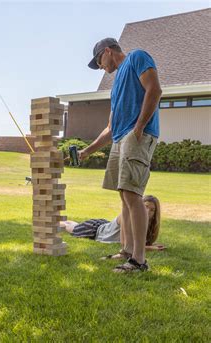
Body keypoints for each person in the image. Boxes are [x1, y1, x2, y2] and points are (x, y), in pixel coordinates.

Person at [80, 38, 162, 272]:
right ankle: (126, 250)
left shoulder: (137, 57)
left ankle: (139, 260)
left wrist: (138, 128)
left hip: (137, 135)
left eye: (99, 61)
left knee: (132, 194)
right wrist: (88, 150)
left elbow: (154, 90)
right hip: (120, 138)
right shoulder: (116, 85)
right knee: (124, 196)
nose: (101, 67)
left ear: (107, 51)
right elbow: (111, 126)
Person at [63, 195, 164, 255]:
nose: (147, 211)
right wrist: (149, 248)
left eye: (152, 210)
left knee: (74, 225)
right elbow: (128, 245)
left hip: (104, 225)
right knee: (69, 227)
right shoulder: (128, 216)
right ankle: (56, 221)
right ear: (139, 206)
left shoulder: (148, 224)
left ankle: (62, 220)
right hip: (95, 230)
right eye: (145, 207)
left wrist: (148, 244)